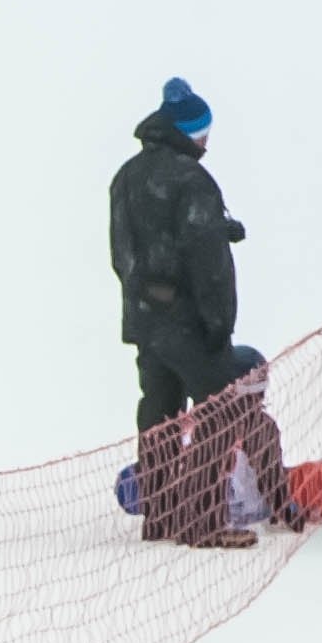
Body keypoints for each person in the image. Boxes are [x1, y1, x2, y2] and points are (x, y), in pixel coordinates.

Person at [108, 77, 252, 547]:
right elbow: (206, 261)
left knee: (158, 414)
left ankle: (162, 517)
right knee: (219, 413)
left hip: (144, 320)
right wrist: (218, 323)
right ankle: (206, 522)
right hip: (190, 321)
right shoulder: (193, 180)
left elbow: (124, 254)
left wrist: (144, 296)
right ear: (188, 131)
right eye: (203, 132)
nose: (207, 141)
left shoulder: (126, 177)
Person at [180, 346, 314, 535]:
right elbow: (272, 479)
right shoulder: (258, 426)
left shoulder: (206, 423)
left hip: (199, 512)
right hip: (239, 512)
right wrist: (288, 511)